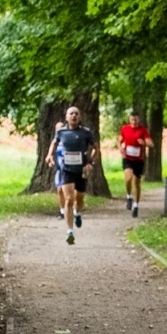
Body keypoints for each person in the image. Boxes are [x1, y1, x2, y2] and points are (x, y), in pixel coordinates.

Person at [44, 105, 95, 245]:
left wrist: (91, 162)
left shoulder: (86, 132)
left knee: (79, 199)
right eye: (71, 113)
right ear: (66, 117)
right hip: (66, 169)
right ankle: (69, 232)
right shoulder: (61, 132)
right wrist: (49, 156)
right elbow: (54, 144)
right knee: (68, 199)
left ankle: (77, 213)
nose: (74, 116)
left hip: (82, 170)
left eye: (76, 114)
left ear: (80, 117)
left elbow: (96, 148)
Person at [118, 110, 153, 218]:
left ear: (139, 120)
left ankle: (136, 205)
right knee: (128, 179)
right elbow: (119, 141)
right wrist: (121, 149)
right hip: (127, 158)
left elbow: (151, 143)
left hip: (138, 160)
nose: (134, 121)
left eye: (136, 119)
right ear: (129, 119)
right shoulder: (125, 129)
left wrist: (144, 143)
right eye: (132, 119)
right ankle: (129, 196)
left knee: (137, 182)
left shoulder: (143, 130)